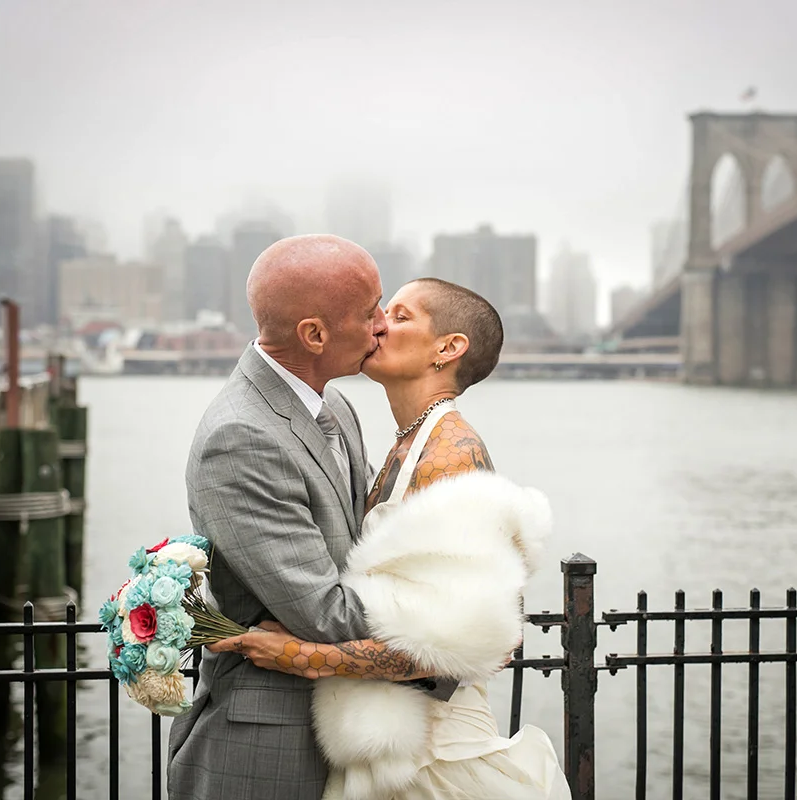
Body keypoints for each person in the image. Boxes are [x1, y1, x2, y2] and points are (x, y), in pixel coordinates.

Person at [210, 278, 570, 800]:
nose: (379, 325)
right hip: (387, 749)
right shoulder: (405, 440)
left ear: (448, 348)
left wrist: (298, 656)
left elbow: (462, 649)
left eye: (400, 316)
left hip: (434, 754)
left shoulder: (452, 454)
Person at [167, 235, 452, 800]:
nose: (381, 325)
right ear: (314, 335)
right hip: (270, 748)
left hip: (351, 733)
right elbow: (326, 615)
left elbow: (367, 546)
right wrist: (452, 626)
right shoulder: (241, 437)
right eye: (369, 311)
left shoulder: (335, 405)